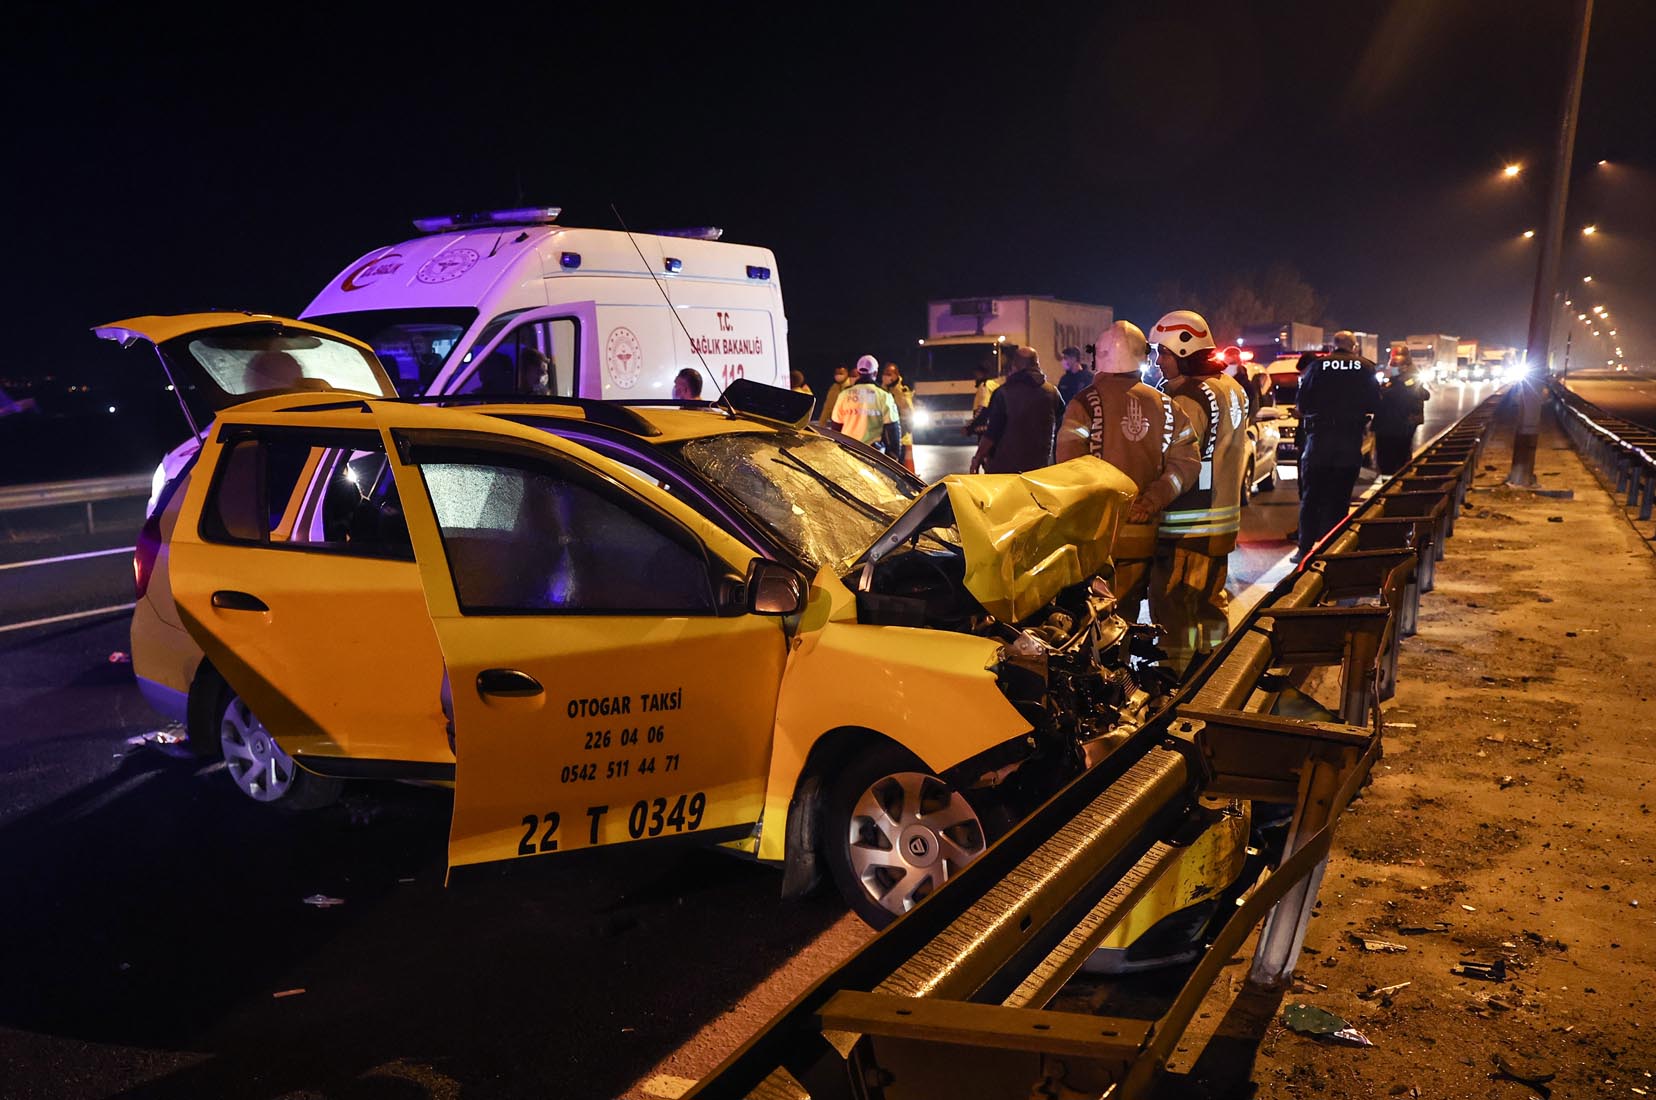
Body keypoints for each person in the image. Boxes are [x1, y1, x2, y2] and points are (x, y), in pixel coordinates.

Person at [1056, 321, 1201, 625]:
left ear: (1100, 357)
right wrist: (1151, 501)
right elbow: (1186, 464)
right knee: (1126, 618)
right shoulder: (1167, 405)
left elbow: (1067, 466)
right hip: (1142, 535)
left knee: (1091, 622)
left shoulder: (1084, 403)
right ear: (1142, 357)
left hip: (1094, 539)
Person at [1146, 309, 1251, 676]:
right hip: (1221, 519)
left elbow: (1177, 459)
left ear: (1185, 353)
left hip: (1188, 523)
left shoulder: (1188, 398)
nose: (1159, 362)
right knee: (1211, 601)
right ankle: (1215, 671)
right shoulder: (1231, 387)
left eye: (1165, 354)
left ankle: (1173, 680)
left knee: (1173, 604)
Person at [1294, 330, 1382, 562]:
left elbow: (1302, 403)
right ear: (1354, 347)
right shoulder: (1366, 367)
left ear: (1333, 346)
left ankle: (1304, 549)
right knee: (1340, 496)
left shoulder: (1317, 367)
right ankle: (1334, 549)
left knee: (1311, 496)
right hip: (1348, 438)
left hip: (1319, 439)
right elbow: (1375, 402)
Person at [970, 345, 1064, 474]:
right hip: (1039, 468)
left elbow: (992, 432)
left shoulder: (1003, 393)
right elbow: (1063, 425)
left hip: (1005, 469)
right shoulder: (1052, 392)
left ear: (1015, 366)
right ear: (1037, 364)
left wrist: (978, 457)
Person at [830, 354, 902, 454]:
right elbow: (892, 429)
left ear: (859, 372)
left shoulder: (844, 394)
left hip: (847, 452)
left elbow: (836, 426)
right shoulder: (884, 396)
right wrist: (894, 455)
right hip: (873, 454)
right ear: (875, 373)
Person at [1372, 360, 1430, 476]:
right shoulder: (1392, 382)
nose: (1392, 368)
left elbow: (1424, 395)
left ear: (1404, 367)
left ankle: (1397, 485)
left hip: (1401, 426)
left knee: (1399, 459)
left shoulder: (1410, 383)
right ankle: (1388, 483)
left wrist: (1401, 383)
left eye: (1395, 366)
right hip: (1386, 426)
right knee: (1386, 460)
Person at [881, 361, 917, 473]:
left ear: (896, 375)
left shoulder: (901, 392)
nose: (886, 376)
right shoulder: (881, 391)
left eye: (889, 374)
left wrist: (903, 430)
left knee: (899, 470)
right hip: (885, 438)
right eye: (885, 373)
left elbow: (908, 415)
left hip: (901, 438)